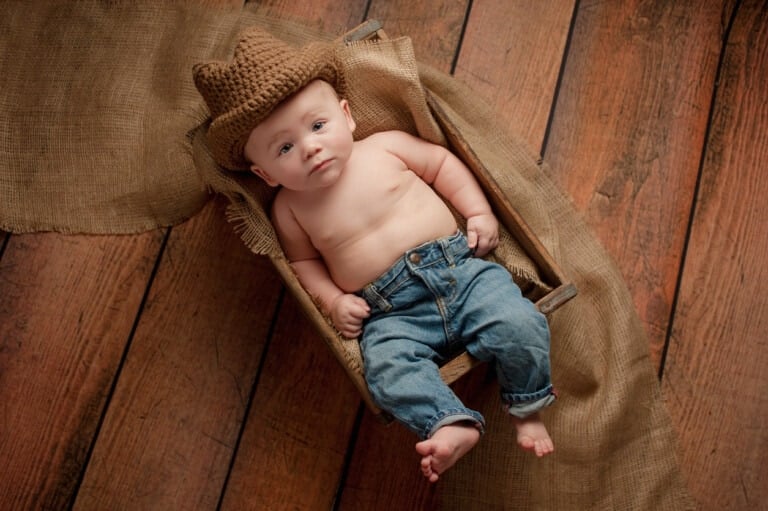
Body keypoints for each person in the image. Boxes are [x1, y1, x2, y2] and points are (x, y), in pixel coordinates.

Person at [194, 27, 556, 483]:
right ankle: (450, 421)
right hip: (389, 314)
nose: (309, 147)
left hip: (459, 274)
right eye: (285, 148)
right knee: (384, 372)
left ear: (346, 117)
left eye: (318, 125)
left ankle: (526, 404)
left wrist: (477, 211)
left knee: (519, 322)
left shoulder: (384, 147)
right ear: (265, 173)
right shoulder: (288, 210)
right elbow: (304, 264)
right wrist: (332, 300)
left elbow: (443, 165)